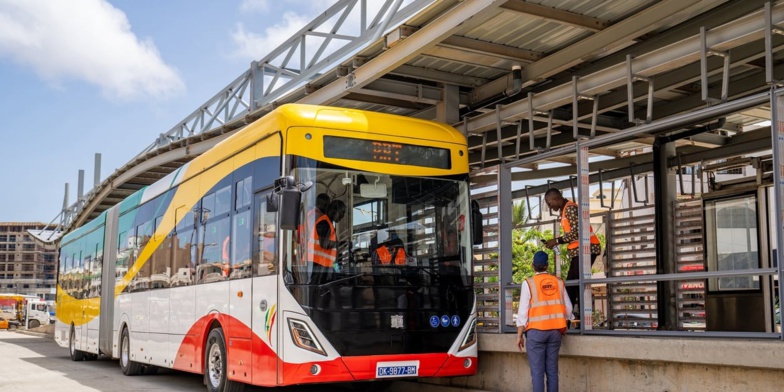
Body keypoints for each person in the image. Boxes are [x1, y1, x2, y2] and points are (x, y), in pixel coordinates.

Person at [516, 251, 572, 392]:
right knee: (552, 371)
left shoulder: (528, 283)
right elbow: (569, 308)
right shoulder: (558, 282)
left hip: (535, 333)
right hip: (555, 333)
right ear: (547, 265)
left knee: (537, 373)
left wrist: (519, 335)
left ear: (533, 265)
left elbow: (523, 312)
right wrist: (564, 323)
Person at [542, 188, 601, 320]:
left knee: (573, 284)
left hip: (586, 249)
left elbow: (577, 232)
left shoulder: (569, 209)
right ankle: (576, 316)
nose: (550, 207)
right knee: (573, 284)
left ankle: (576, 317)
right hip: (580, 250)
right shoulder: (565, 210)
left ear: (556, 199)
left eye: (550, 204)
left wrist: (557, 241)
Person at [308, 199, 346, 284]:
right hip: (318, 269)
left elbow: (332, 255)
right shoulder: (324, 223)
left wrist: (337, 270)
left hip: (324, 269)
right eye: (341, 213)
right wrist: (339, 244)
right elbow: (325, 245)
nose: (342, 216)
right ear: (334, 210)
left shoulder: (328, 223)